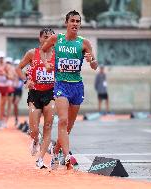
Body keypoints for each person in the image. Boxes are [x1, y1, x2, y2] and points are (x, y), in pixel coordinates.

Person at [42, 10, 98, 170]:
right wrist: (47, 63)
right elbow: (43, 50)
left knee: (69, 126)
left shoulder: (84, 43)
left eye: (78, 21)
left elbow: (95, 66)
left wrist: (92, 60)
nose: (75, 24)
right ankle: (67, 158)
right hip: (61, 84)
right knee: (63, 120)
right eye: (72, 21)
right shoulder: (56, 39)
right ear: (66, 23)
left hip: (76, 86)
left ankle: (57, 150)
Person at [16, 28, 55, 169]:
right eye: (45, 37)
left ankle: (40, 159)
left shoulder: (57, 55)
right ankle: (35, 139)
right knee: (33, 129)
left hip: (51, 93)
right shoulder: (33, 53)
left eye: (51, 38)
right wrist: (26, 81)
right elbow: (18, 68)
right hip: (35, 94)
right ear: (40, 39)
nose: (48, 40)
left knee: (48, 126)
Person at [12, 59, 23, 126]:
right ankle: (15, 118)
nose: (17, 66)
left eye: (18, 65)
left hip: (19, 91)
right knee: (13, 105)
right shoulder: (12, 72)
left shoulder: (22, 72)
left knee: (16, 103)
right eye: (16, 65)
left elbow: (26, 79)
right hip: (12, 90)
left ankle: (16, 118)